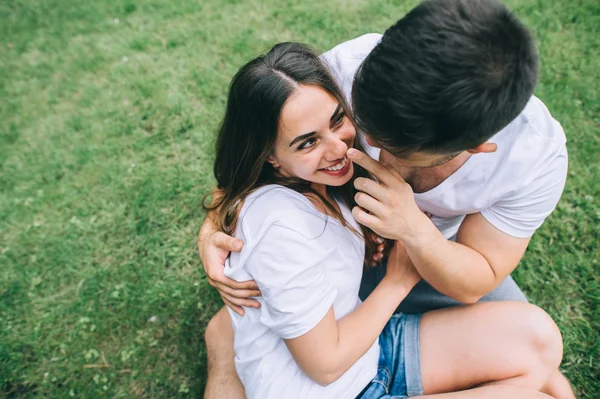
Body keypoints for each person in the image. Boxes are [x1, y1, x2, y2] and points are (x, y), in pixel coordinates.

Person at [199, 0, 575, 398]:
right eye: (363, 119)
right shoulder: (338, 75)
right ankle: (230, 342)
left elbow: (475, 279)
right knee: (539, 388)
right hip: (332, 262)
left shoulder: (533, 158)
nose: (367, 144)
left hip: (428, 259)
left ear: (477, 146)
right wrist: (211, 230)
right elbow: (250, 165)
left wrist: (415, 232)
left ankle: (239, 335)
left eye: (395, 142)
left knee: (544, 359)